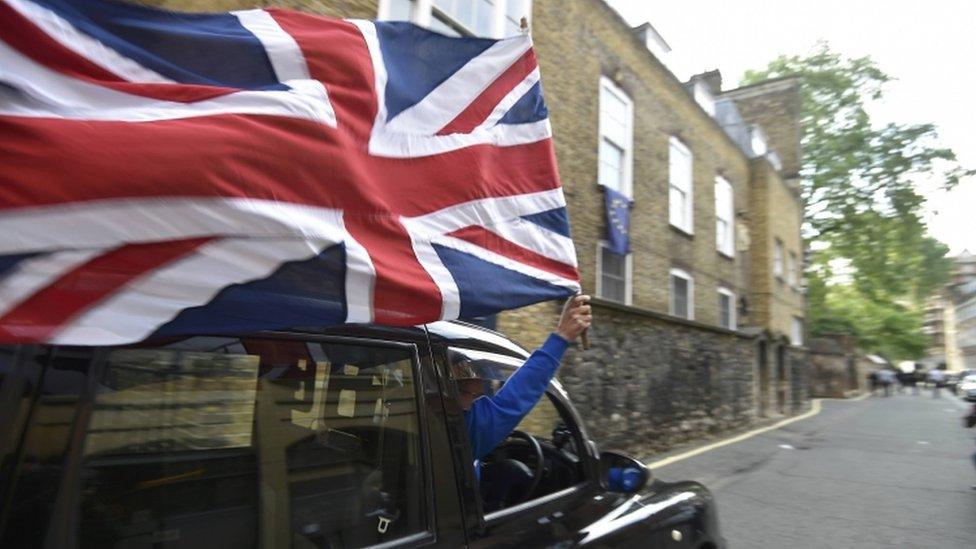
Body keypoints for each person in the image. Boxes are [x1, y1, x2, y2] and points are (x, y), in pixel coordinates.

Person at [454, 295, 592, 463]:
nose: (473, 405)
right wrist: (562, 337)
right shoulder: (461, 431)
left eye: (478, 396)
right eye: (466, 393)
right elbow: (515, 397)